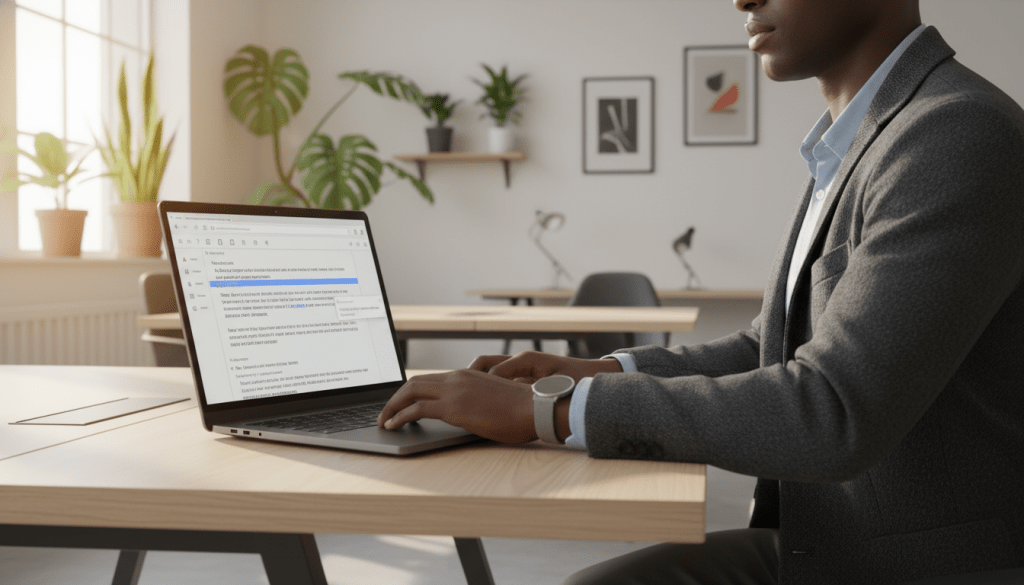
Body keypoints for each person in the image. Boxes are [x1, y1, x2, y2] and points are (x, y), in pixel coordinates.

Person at [378, 0, 1024, 582]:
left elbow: (832, 409)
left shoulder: (955, 133)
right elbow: (763, 347)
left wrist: (548, 412)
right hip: (825, 540)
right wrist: (590, 369)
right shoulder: (860, 143)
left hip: (913, 562)